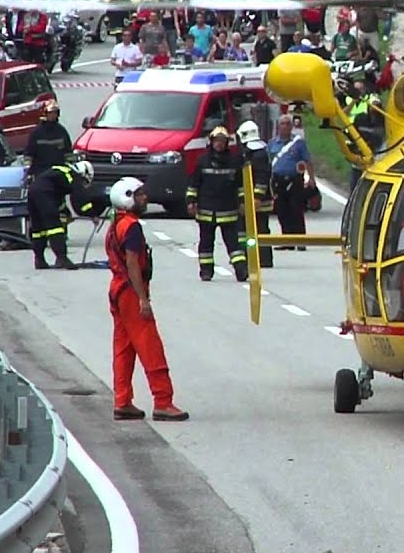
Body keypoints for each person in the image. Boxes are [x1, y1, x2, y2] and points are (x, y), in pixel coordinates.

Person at [104, 177, 188, 422]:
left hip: (117, 290)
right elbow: (132, 262)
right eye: (139, 195)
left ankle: (122, 401)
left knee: (123, 348)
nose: (144, 198)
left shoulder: (116, 224)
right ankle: (163, 401)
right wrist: (143, 299)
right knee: (150, 345)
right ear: (127, 198)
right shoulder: (131, 226)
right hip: (131, 292)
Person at [186, 126, 247, 281]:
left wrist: (242, 202)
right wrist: (191, 201)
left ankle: (241, 270)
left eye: (222, 141)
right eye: (217, 141)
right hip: (206, 211)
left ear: (227, 143)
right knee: (206, 244)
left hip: (228, 211)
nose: (219, 144)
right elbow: (194, 184)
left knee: (234, 244)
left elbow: (240, 186)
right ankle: (206, 271)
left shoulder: (234, 162)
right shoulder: (203, 161)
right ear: (211, 142)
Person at [28, 160, 98, 270]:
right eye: (84, 181)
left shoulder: (61, 171)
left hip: (33, 191)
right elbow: (80, 202)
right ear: (83, 174)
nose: (83, 184)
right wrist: (92, 214)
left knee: (38, 228)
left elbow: (57, 198)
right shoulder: (74, 176)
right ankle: (62, 258)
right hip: (45, 193)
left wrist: (66, 213)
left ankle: (39, 260)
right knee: (55, 228)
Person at [267, 117, 312, 246]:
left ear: (291, 127)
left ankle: (301, 241)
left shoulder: (299, 143)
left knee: (296, 209)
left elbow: (308, 161)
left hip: (294, 180)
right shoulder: (272, 144)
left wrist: (311, 179)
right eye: (282, 124)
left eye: (287, 124)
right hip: (278, 181)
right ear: (278, 126)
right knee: (281, 210)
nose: (285, 126)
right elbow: (267, 162)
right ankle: (286, 241)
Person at [236, 120, 274, 268]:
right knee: (257, 230)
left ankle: (261, 259)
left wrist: (256, 198)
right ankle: (254, 258)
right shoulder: (256, 151)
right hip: (253, 199)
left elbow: (262, 177)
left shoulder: (257, 155)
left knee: (258, 230)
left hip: (258, 201)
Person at [23, 100, 72, 177]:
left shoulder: (62, 131)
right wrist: (27, 169)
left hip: (59, 171)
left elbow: (68, 152)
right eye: (50, 113)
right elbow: (29, 153)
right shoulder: (36, 132)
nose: (53, 115)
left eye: (55, 113)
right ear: (45, 114)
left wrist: (70, 166)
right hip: (40, 171)